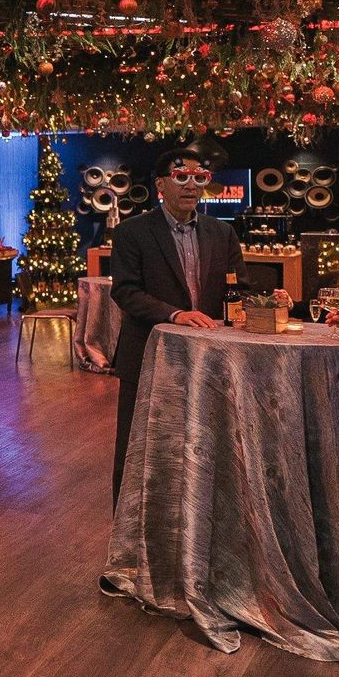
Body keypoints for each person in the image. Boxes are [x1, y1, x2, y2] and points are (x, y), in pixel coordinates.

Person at [106, 148, 240, 512]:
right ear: (162, 184)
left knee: (203, 445)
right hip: (149, 354)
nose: (191, 185)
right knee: (139, 448)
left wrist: (263, 301)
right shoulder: (132, 233)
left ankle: (196, 522)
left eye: (200, 178)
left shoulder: (222, 232)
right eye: (182, 177)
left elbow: (234, 288)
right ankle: (128, 532)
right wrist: (174, 314)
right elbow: (125, 291)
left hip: (209, 358)